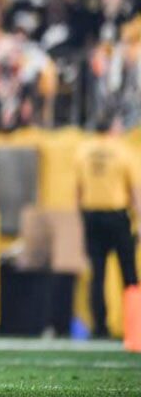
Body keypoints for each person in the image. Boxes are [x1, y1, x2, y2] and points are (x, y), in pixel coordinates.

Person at [75, 117, 141, 339]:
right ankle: (134, 329)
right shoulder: (123, 151)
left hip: (92, 217)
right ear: (113, 128)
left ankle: (99, 328)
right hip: (118, 217)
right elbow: (134, 192)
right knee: (129, 275)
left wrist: (81, 220)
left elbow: (78, 191)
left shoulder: (83, 151)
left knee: (98, 276)